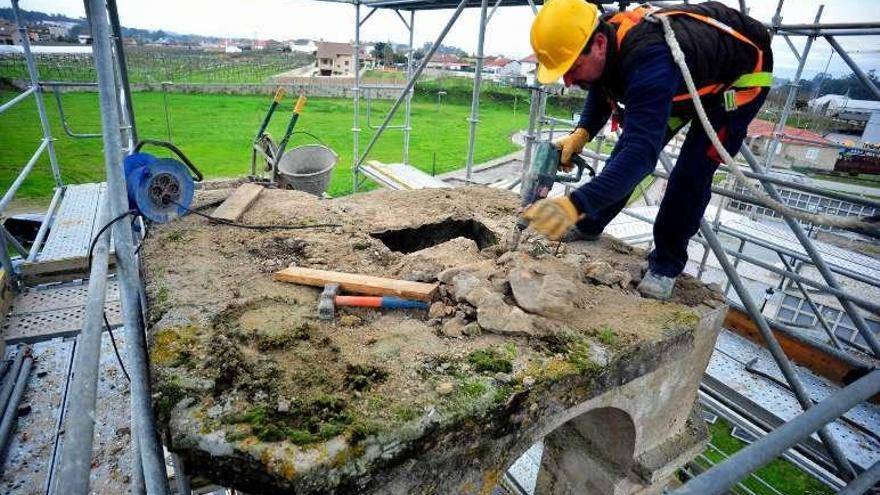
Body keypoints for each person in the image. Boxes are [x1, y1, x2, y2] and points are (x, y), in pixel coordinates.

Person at [522, 0, 773, 300]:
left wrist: (574, 203)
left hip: (737, 81)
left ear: (599, 44)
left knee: (690, 173)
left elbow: (641, 156)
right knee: (626, 151)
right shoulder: (609, 36)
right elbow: (603, 84)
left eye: (573, 67)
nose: (569, 80)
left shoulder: (649, 58)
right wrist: (583, 131)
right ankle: (590, 224)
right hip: (684, 77)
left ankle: (666, 264)